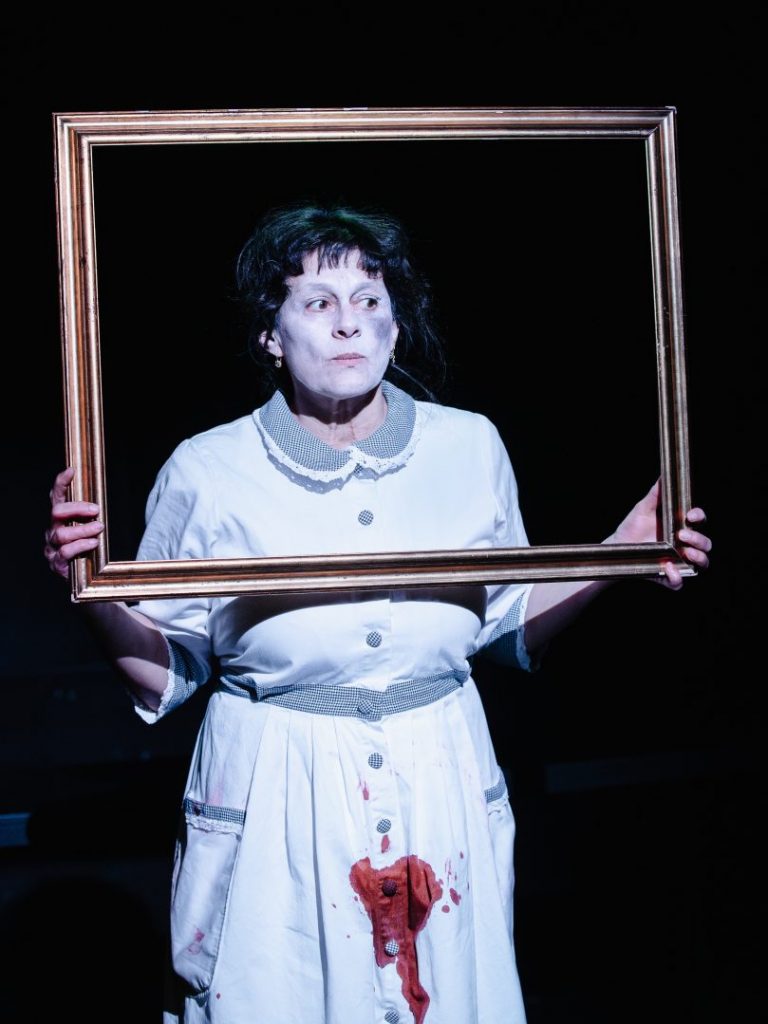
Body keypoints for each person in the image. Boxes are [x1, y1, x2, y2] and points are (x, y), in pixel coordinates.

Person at [44, 202, 711, 1024]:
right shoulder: (209, 469)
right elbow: (166, 673)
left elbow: (505, 624)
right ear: (271, 334)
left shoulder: (469, 446)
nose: (348, 323)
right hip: (278, 790)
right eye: (318, 303)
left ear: (396, 326)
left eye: (369, 300)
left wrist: (620, 553)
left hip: (439, 774)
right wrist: (88, 587)